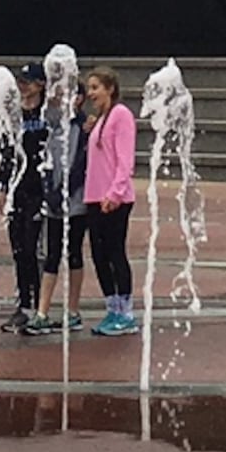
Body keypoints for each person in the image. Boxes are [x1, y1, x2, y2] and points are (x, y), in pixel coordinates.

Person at [0, 65, 65, 336]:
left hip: (40, 191)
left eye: (27, 82)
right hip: (18, 190)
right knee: (18, 249)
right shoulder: (14, 115)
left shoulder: (48, 115)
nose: (22, 86)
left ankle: (39, 306)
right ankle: (23, 303)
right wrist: (2, 188)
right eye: (20, 81)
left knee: (32, 248)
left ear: (40, 85)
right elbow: (5, 152)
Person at [76, 66, 141, 337]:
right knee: (99, 255)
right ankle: (112, 308)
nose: (90, 93)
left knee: (115, 252)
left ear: (110, 89)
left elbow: (125, 160)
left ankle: (125, 312)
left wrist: (115, 193)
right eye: (89, 88)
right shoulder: (100, 120)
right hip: (94, 196)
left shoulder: (121, 115)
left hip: (114, 198)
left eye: (95, 87)